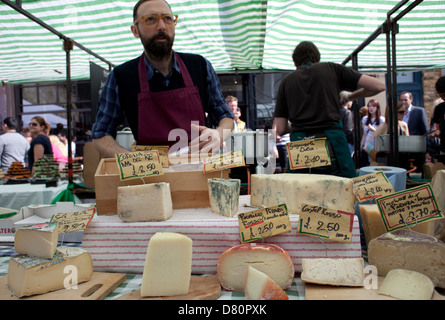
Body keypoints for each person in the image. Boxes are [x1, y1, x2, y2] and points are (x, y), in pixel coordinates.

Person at [91, 0, 234, 158]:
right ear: (135, 31)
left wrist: (219, 134)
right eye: (150, 19)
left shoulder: (200, 66)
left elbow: (226, 118)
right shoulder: (121, 77)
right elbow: (100, 134)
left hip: (198, 170)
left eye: (167, 18)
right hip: (150, 175)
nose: (161, 26)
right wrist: (132, 161)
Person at [273, 41, 385, 178]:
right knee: (340, 190)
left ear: (295, 61)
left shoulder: (286, 81)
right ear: (317, 57)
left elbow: (280, 128)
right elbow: (378, 86)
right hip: (331, 142)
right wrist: (349, 96)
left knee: (302, 190)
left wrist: (299, 124)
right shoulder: (331, 69)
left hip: (301, 146)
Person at [429, 76, 445, 155]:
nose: (443, 98)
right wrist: (436, 132)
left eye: (444, 95)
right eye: (440, 96)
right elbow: (437, 128)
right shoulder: (439, 108)